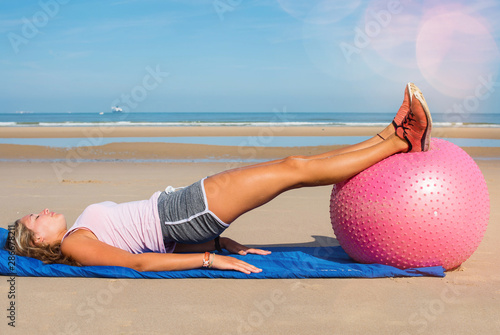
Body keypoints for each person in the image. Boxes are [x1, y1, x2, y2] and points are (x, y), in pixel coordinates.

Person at [7, 83, 432, 274]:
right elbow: (139, 261)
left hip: (183, 218)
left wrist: (213, 242)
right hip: (184, 213)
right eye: (33, 219)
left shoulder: (78, 233)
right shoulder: (76, 245)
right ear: (39, 243)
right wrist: (209, 258)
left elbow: (147, 239)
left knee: (293, 166)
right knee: (293, 170)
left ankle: (388, 135)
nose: (42, 212)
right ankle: (401, 141)